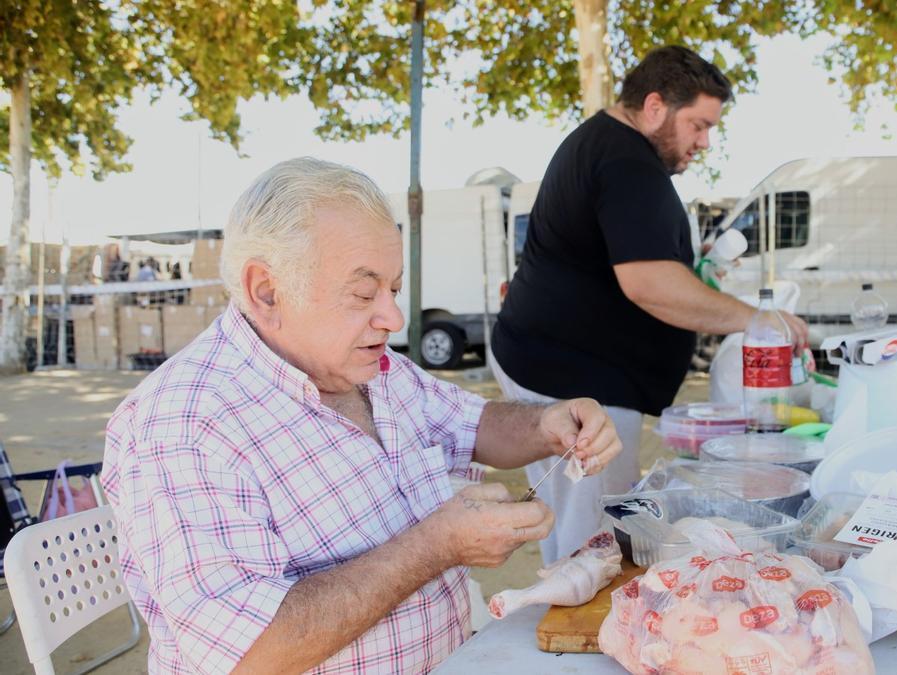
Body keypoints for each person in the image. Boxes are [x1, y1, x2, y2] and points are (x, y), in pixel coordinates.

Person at [101, 157, 623, 674]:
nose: (393, 317)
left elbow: (472, 424)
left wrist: (545, 424)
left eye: (393, 289)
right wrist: (436, 545)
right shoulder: (182, 425)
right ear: (267, 290)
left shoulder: (376, 367)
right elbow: (248, 652)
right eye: (363, 292)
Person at [489, 45, 808, 564]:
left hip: (559, 366)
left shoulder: (607, 147)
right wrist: (756, 319)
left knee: (581, 525)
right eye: (698, 125)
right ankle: (580, 634)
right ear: (655, 106)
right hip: (573, 379)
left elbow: (633, 261)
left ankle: (576, 613)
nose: (704, 142)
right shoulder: (626, 161)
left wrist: (691, 266)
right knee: (593, 539)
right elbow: (649, 284)